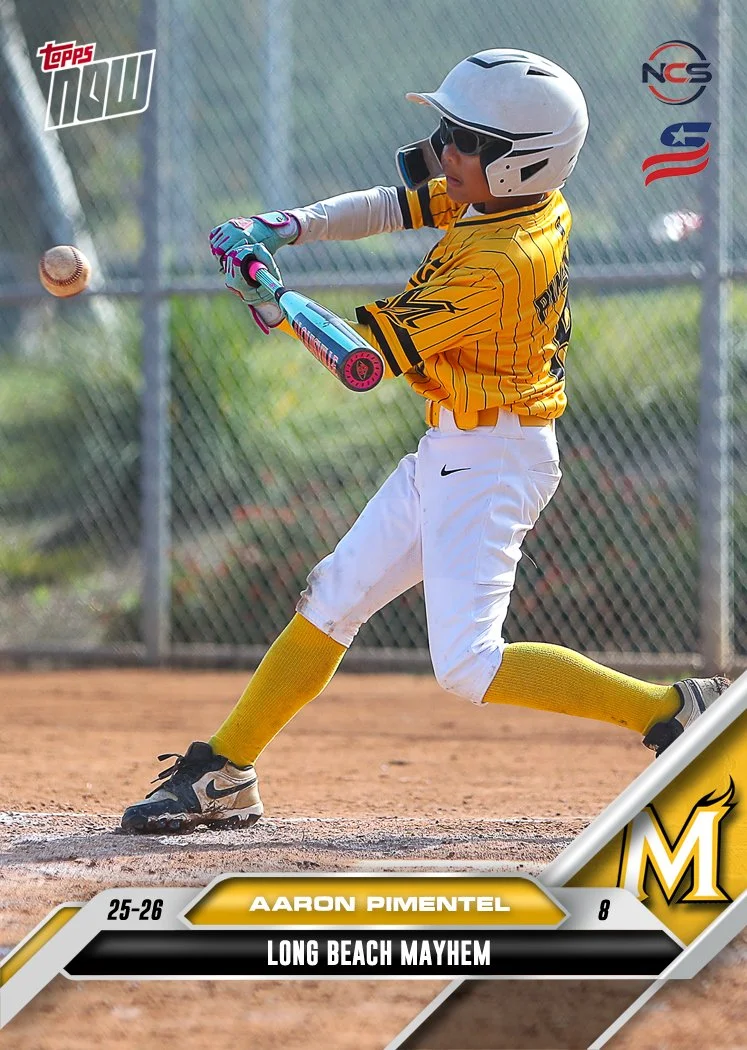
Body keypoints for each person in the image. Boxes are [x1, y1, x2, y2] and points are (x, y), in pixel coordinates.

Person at [121, 49, 728, 834]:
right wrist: (284, 227)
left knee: (468, 665)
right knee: (332, 595)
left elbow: (362, 361)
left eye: (464, 140)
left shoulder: (497, 260)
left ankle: (671, 710)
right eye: (447, 130)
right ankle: (225, 772)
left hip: (491, 459)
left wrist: (272, 294)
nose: (444, 150)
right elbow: (396, 203)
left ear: (521, 162)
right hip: (458, 446)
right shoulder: (520, 200)